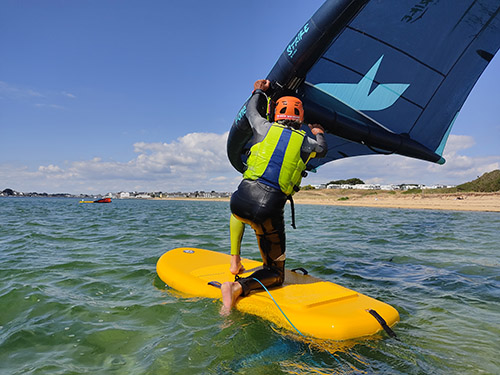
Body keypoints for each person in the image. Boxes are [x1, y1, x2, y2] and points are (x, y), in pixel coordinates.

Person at [221, 79, 327, 314]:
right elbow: (322, 148)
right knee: (275, 274)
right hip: (267, 209)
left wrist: (259, 90)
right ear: (300, 116)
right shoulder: (307, 143)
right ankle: (238, 288)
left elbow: (251, 109)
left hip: (239, 201)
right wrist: (318, 132)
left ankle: (234, 260)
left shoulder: (262, 126)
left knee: (241, 211)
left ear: (276, 113)